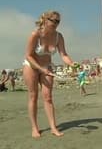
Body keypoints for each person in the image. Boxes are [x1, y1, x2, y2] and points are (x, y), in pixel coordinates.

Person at [22, 10, 76, 138]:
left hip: (47, 66)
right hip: (31, 65)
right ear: (46, 20)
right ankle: (35, 128)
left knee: (48, 97)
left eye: (58, 22)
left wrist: (72, 64)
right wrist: (40, 69)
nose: (56, 24)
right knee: (33, 96)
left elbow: (64, 54)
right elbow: (28, 55)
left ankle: (53, 127)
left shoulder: (59, 36)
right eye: (54, 21)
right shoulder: (36, 34)